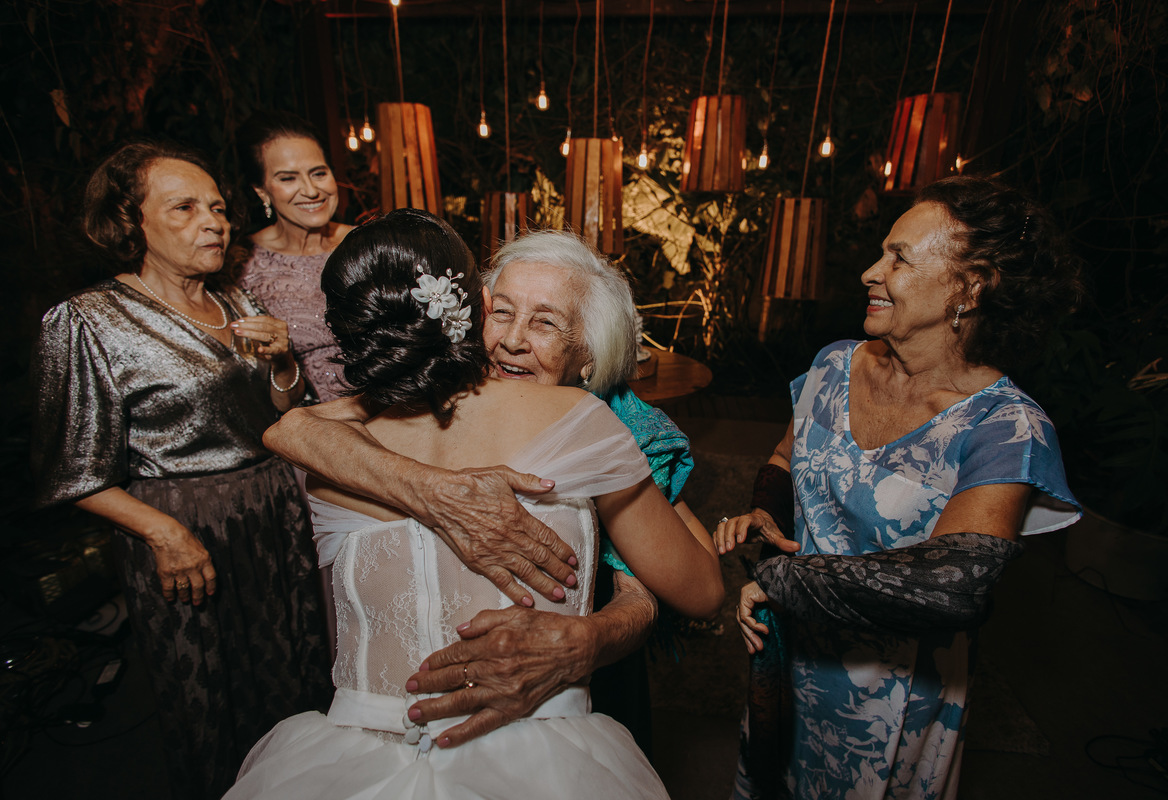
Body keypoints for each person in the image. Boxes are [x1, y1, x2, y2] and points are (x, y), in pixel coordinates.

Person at [223, 209, 723, 799]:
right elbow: (295, 428)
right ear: (475, 310)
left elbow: (293, 428)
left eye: (544, 323)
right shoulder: (583, 422)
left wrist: (611, 617)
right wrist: (434, 490)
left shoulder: (341, 448)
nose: (512, 338)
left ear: (589, 351)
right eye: (504, 312)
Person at [714, 176, 1084, 800]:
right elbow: (786, 453)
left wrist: (782, 580)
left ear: (973, 286)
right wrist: (765, 511)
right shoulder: (835, 365)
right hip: (790, 656)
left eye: (899, 258)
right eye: (882, 251)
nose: (869, 271)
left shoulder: (1006, 426)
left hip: (897, 693)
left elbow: (953, 583)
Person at [30, 141, 332, 800]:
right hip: (183, 527)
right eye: (186, 207)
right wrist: (164, 535)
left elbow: (285, 412)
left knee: (296, 679)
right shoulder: (86, 320)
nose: (215, 223)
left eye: (219, 208)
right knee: (209, 698)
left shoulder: (237, 300)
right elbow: (73, 472)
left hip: (274, 510)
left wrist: (283, 362)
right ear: (130, 222)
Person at [233, 111, 353, 402]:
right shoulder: (241, 263)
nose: (312, 191)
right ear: (261, 191)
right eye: (288, 178)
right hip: (302, 421)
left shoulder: (370, 242)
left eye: (319, 173)